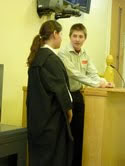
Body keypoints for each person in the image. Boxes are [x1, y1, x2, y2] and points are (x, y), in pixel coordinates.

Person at [58, 23, 114, 166]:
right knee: (66, 135)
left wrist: (104, 82)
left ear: (85, 38)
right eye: (75, 36)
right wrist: (96, 84)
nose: (77, 39)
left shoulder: (85, 54)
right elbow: (74, 74)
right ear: (70, 37)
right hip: (66, 96)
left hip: (78, 96)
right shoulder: (63, 53)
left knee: (79, 133)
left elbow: (92, 73)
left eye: (80, 36)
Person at [26, 20, 74, 166]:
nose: (61, 38)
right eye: (61, 34)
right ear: (54, 34)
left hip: (36, 122)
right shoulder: (51, 59)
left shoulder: (36, 58)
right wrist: (69, 109)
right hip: (52, 123)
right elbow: (61, 89)